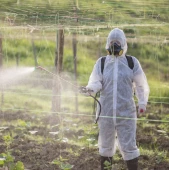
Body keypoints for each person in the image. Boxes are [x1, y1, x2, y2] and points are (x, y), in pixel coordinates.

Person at [84, 28, 150, 170]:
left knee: (129, 146)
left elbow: (140, 84)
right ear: (108, 43)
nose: (115, 45)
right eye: (112, 42)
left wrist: (142, 102)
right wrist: (90, 89)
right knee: (105, 146)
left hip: (126, 112)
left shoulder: (132, 62)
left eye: (117, 42)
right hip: (106, 112)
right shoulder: (101, 63)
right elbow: (96, 81)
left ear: (123, 44)